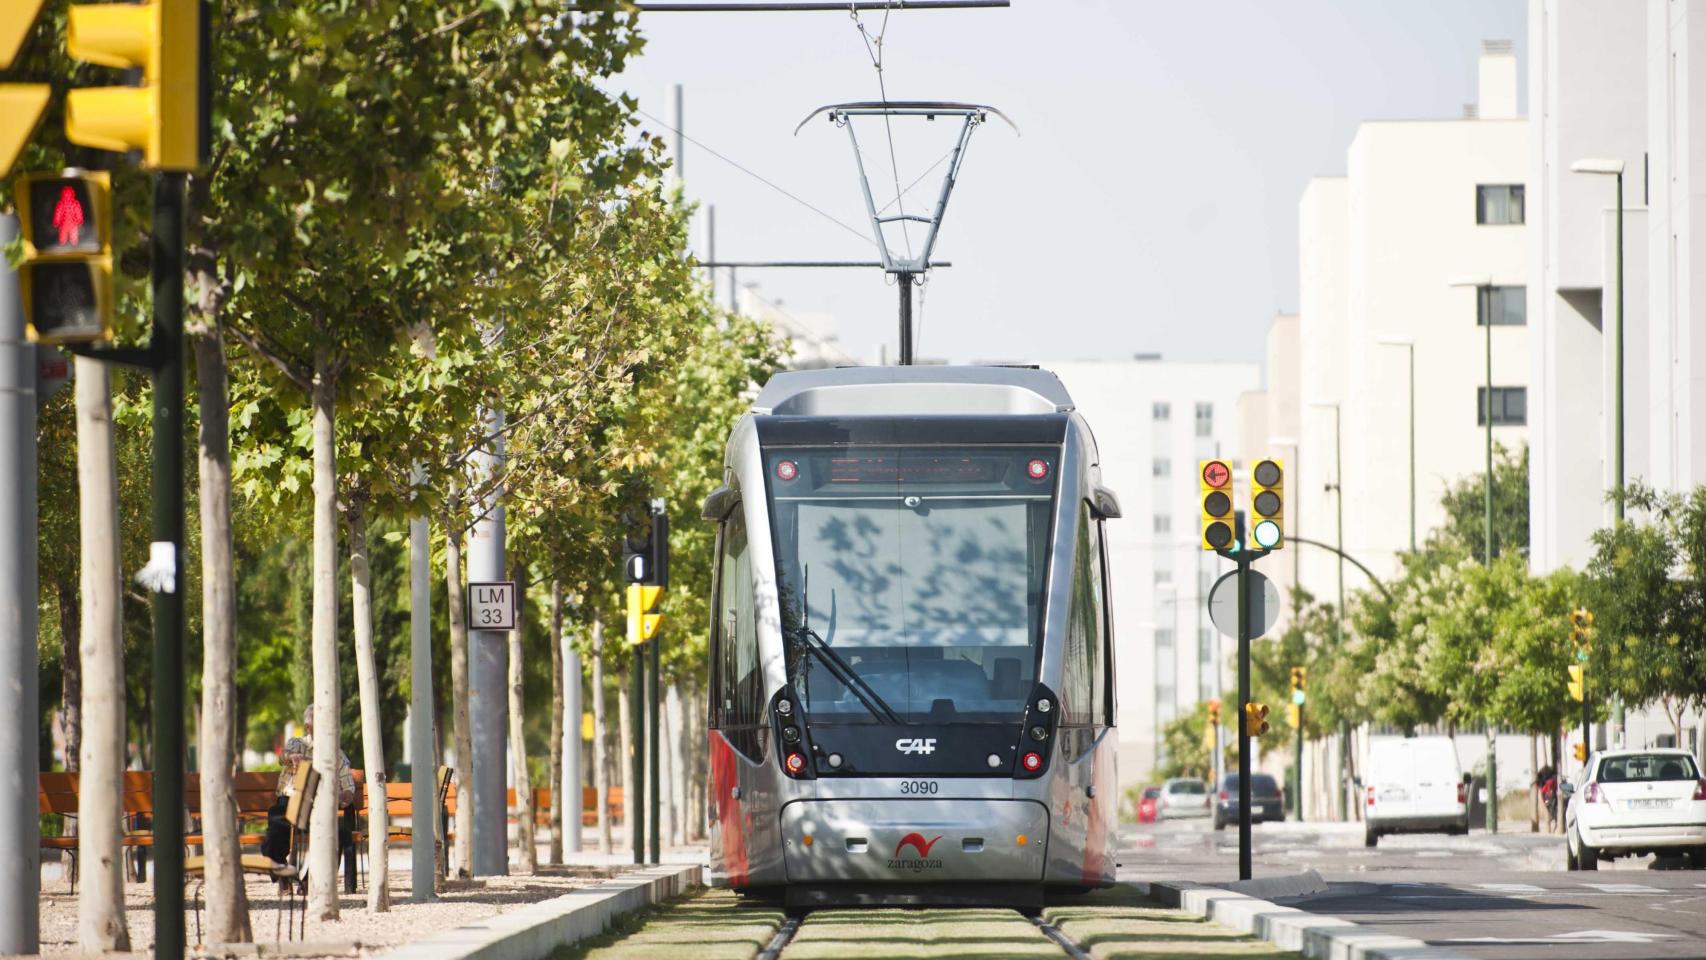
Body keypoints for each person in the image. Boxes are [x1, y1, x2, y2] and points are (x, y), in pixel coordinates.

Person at [262, 706, 356, 865]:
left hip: (318, 807)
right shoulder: (296, 744)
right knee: (274, 832)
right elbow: (282, 758)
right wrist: (291, 757)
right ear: (307, 727)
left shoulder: (337, 755)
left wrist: (344, 795)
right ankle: (283, 873)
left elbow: (349, 788)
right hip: (290, 803)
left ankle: (305, 879)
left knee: (338, 834)